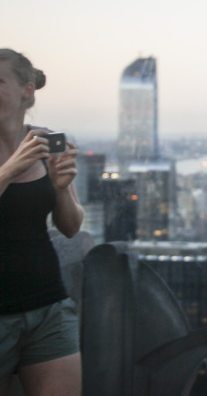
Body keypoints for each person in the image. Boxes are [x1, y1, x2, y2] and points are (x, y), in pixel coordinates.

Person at [0, 49, 84, 396]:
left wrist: (62, 190)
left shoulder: (47, 140)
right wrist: (10, 169)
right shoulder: (24, 155)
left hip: (47, 305)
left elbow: (71, 226)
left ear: (27, 91)